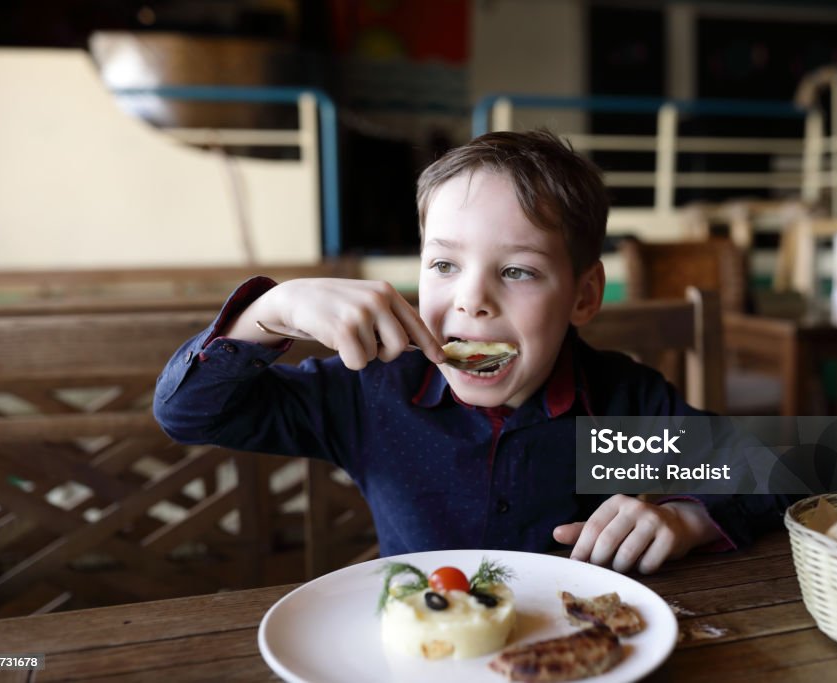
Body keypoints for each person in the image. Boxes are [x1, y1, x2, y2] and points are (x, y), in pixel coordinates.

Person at [154, 130, 787, 575]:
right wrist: (274, 310)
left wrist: (686, 517)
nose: (472, 300)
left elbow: (788, 471)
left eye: (517, 271)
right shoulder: (372, 390)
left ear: (583, 295)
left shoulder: (620, 413)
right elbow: (190, 413)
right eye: (445, 264)